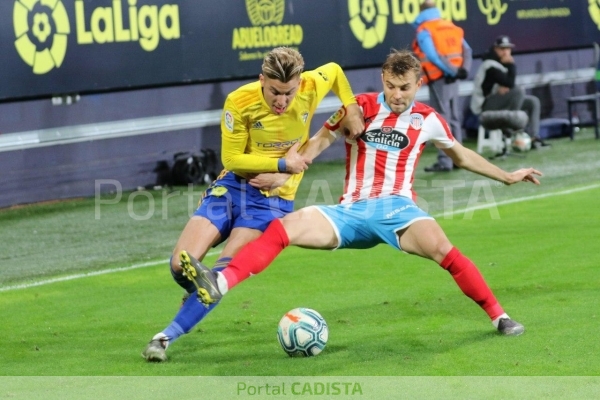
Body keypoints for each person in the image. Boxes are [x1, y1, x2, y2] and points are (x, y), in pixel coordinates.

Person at [181, 49, 542, 338]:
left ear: (418, 84)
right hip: (349, 211)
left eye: (404, 88)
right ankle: (219, 281)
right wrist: (283, 173)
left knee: (445, 251)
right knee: (283, 229)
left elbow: (460, 155)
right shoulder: (361, 108)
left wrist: (506, 177)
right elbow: (321, 139)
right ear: (383, 80)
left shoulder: (428, 119)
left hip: (400, 210)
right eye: (390, 86)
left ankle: (500, 317)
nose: (396, 95)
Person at [141, 47, 364, 362]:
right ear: (262, 80)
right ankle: (195, 293)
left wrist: (351, 105)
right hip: (232, 187)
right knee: (181, 263)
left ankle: (162, 340)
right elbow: (231, 159)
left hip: (271, 205)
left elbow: (337, 70)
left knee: (220, 276)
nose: (281, 101)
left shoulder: (311, 85)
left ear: (300, 83)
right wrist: (281, 166)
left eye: (289, 92)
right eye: (274, 91)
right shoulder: (240, 101)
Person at [412, 0, 472, 172]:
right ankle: (460, 160)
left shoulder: (424, 30)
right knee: (454, 118)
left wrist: (452, 71)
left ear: (420, 11)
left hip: (439, 78)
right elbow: (467, 50)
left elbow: (433, 56)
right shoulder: (450, 26)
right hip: (455, 78)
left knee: (440, 121)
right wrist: (462, 70)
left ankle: (445, 161)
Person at [471, 35, 549, 152]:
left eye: (508, 49)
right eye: (502, 49)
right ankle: (514, 129)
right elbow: (510, 83)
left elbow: (508, 85)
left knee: (533, 102)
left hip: (501, 102)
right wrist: (511, 65)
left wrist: (506, 86)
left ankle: (534, 138)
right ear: (495, 49)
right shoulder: (489, 64)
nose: (506, 52)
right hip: (485, 105)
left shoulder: (501, 64)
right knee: (518, 90)